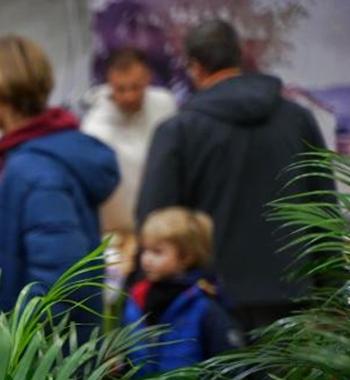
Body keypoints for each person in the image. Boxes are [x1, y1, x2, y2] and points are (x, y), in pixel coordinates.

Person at [136, 19, 333, 333]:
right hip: (294, 299)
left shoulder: (179, 131)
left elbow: (154, 220)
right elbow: (323, 208)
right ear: (238, 58)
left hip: (208, 307)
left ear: (195, 67)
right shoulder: (298, 120)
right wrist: (332, 296)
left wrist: (142, 306)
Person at [0, 35, 118, 333]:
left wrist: (13, 351)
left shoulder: (35, 168)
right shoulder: (30, 155)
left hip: (31, 368)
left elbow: (62, 283)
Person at [81, 47, 175, 296]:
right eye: (121, 88)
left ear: (147, 78)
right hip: (114, 235)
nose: (129, 95)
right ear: (110, 84)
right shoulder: (94, 126)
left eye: (136, 86)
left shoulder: (164, 105)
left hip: (161, 225)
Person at [122, 207, 242, 376]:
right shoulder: (137, 298)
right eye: (144, 250)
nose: (146, 259)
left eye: (157, 252)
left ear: (186, 257)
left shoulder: (204, 304)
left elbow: (228, 365)